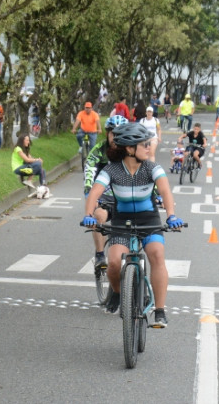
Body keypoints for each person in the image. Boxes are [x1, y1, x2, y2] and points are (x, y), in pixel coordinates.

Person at [83, 122, 184, 327]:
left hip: (149, 219)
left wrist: (171, 216)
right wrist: (88, 214)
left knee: (156, 254)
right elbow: (95, 191)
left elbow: (165, 192)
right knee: (113, 262)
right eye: (144, 144)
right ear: (130, 149)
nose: (149, 147)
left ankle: (160, 311)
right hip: (122, 221)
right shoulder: (112, 170)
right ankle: (120, 294)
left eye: (148, 143)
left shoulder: (152, 168)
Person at [83, 115, 129, 270]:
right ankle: (100, 254)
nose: (115, 138)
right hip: (105, 197)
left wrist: (157, 196)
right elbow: (89, 169)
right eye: (112, 134)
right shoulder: (99, 150)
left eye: (120, 134)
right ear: (107, 134)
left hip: (128, 198)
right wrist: (90, 193)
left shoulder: (132, 151)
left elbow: (148, 174)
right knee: (98, 216)